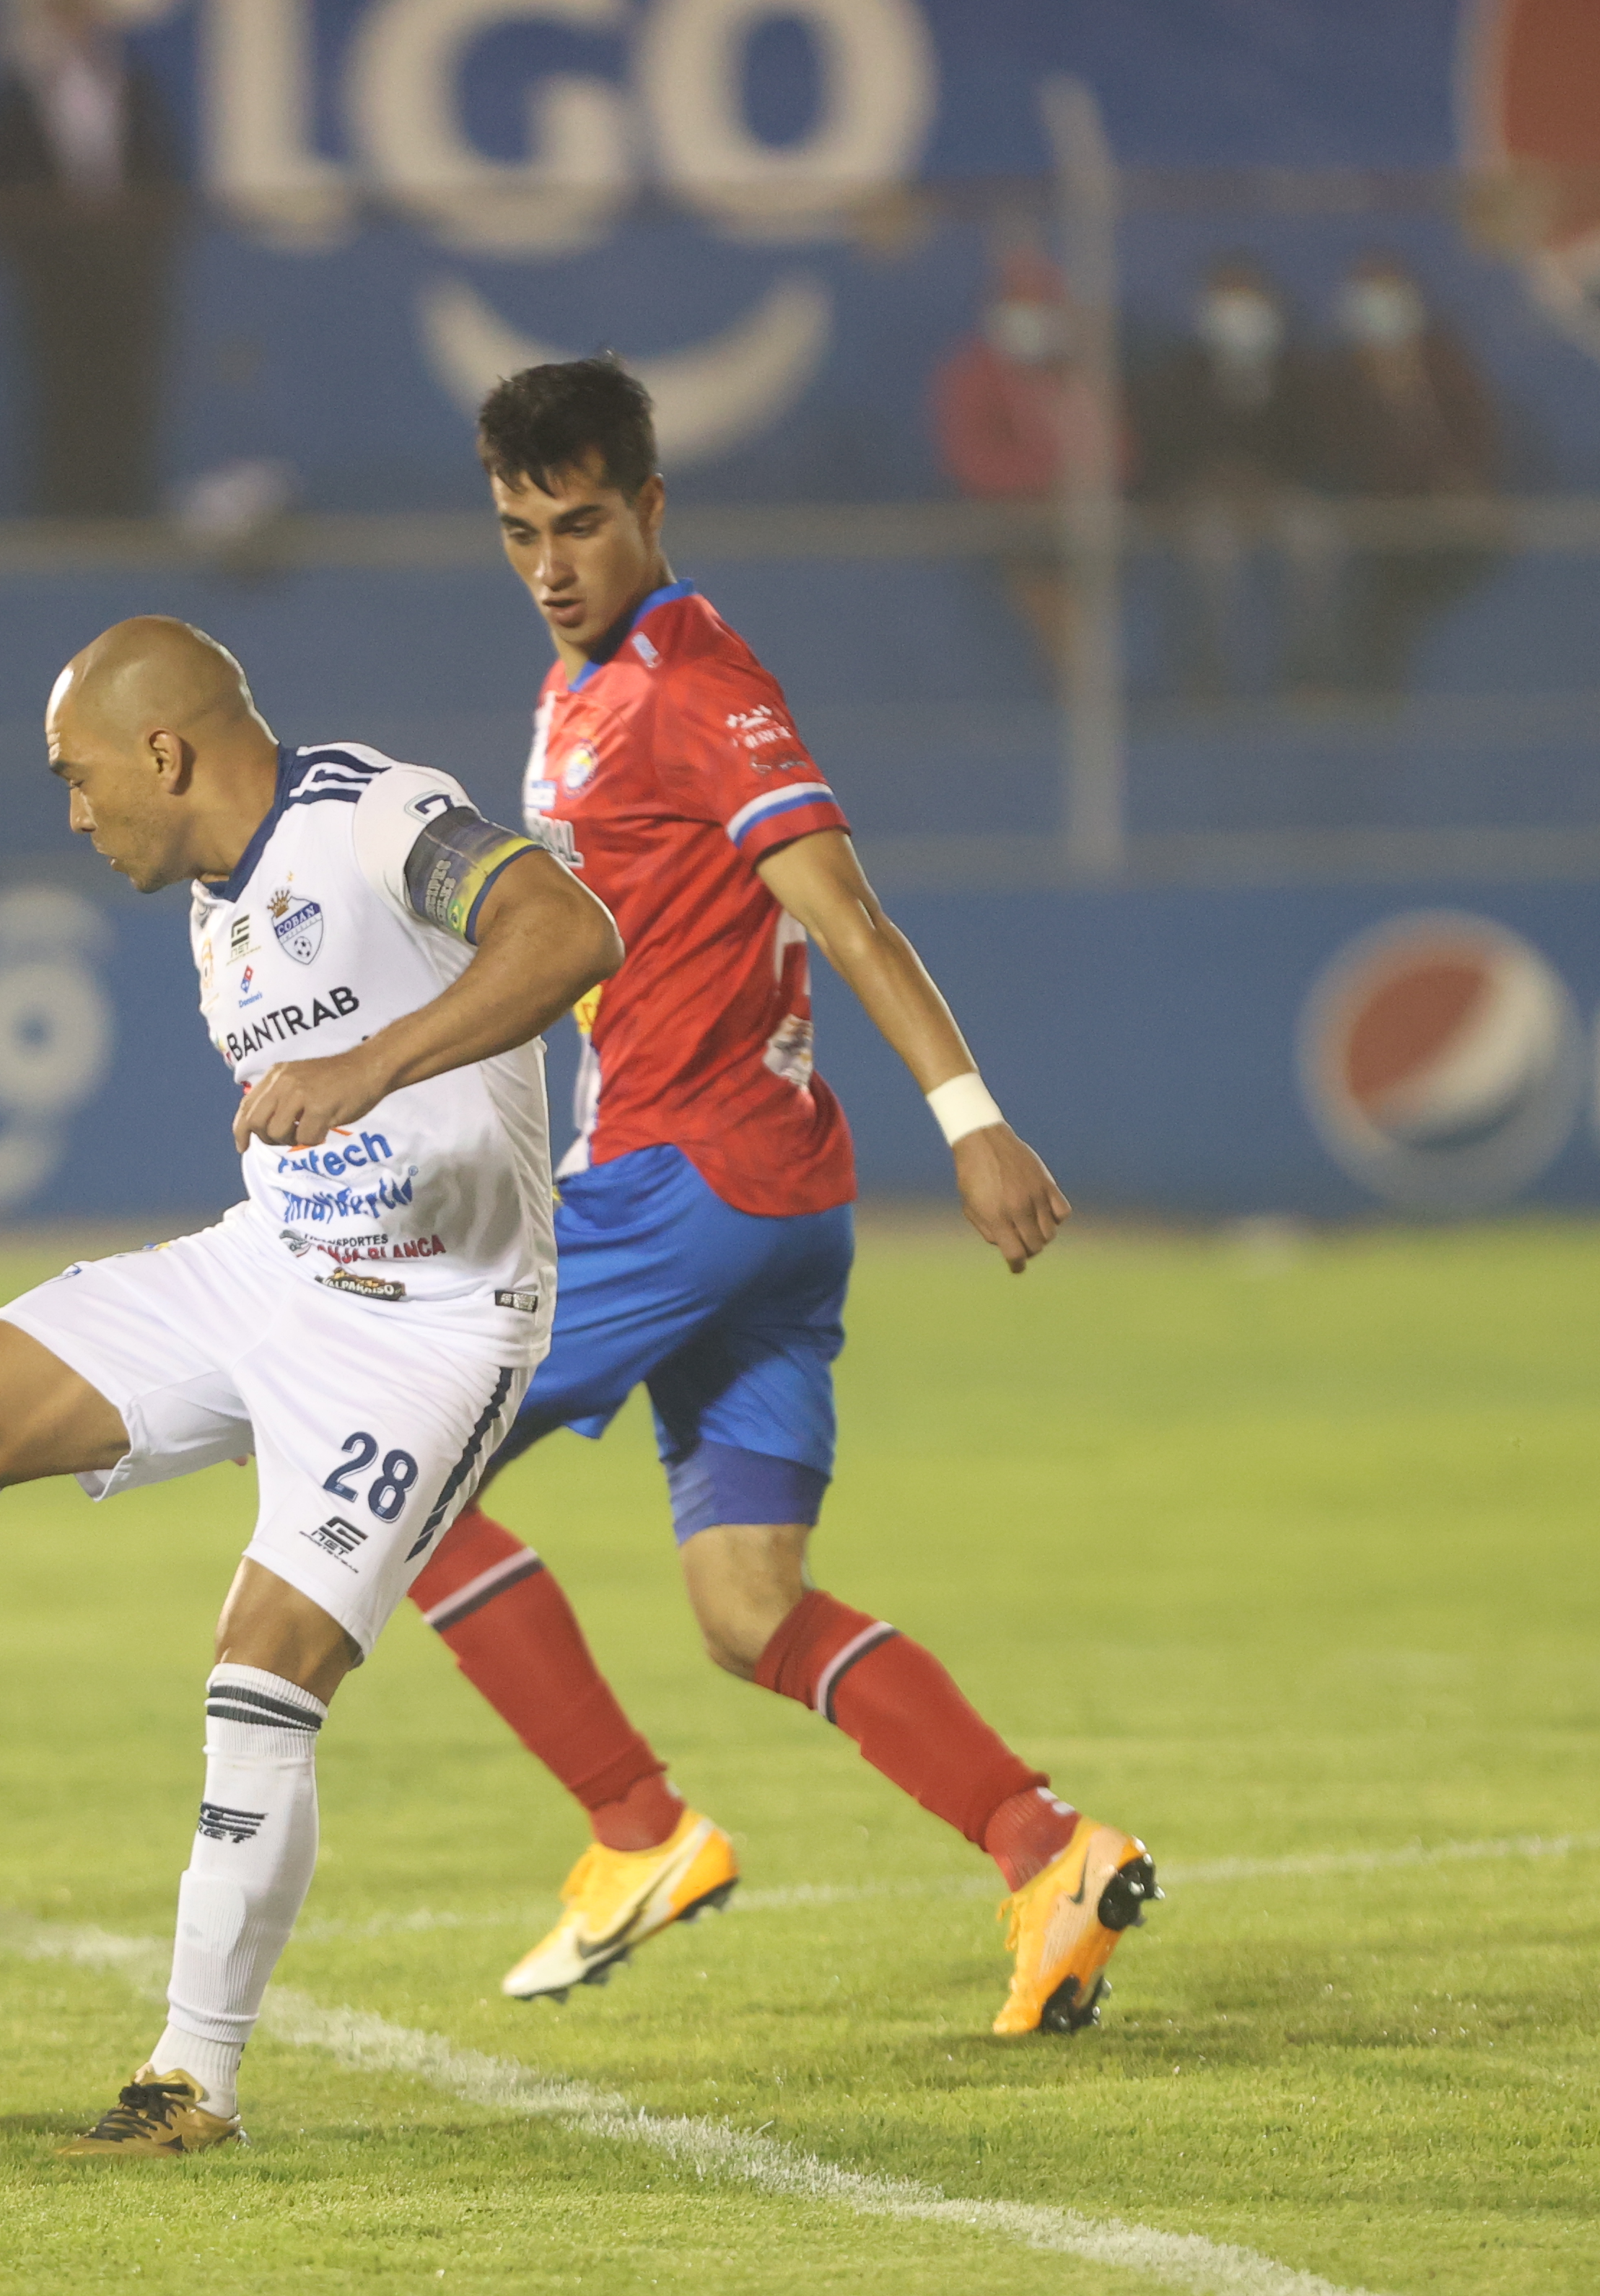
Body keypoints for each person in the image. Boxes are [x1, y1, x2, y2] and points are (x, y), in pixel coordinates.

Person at [0, 616, 621, 2155]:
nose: (73, 815)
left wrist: (377, 1062)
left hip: (430, 1331)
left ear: (167, 752)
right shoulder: (217, 903)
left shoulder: (377, 818)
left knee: (258, 1688)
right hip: (271, 1270)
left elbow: (569, 933)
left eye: (78, 780)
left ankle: (191, 2078)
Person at [398, 355, 1156, 2036]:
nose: (547, 559)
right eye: (519, 527)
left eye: (580, 521)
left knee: (386, 1475)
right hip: (759, 1207)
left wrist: (972, 1119)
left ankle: (634, 1827)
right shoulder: (575, 687)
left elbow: (842, 910)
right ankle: (1045, 1849)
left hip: (688, 1184)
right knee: (747, 1611)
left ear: (648, 510)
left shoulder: (689, 681)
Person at [0, 0, 190, 518]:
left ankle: (124, 503)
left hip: (125, 270)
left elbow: (158, 165)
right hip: (56, 273)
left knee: (126, 385)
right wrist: (37, 250)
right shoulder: (20, 93)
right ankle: (68, 507)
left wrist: (141, 242)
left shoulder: (130, 84)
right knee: (65, 387)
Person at [930, 245, 1129, 697]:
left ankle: (1091, 673)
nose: (1029, 319)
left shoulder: (1083, 373)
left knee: (1095, 542)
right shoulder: (970, 374)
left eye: (1039, 307)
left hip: (1080, 509)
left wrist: (1080, 487)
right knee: (1034, 556)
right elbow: (970, 459)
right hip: (1006, 513)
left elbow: (1116, 449)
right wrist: (1037, 485)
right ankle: (1074, 678)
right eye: (1016, 307)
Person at [1303, 253, 1505, 698]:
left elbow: (1478, 428)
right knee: (1376, 571)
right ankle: (1358, 676)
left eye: (1390, 297)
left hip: (1451, 497)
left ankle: (1395, 644)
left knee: (1465, 539)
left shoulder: (1445, 360)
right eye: (1370, 300)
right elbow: (1335, 452)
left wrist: (1463, 481)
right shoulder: (1340, 374)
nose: (1382, 312)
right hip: (1377, 501)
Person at [1134, 256, 1332, 700]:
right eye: (1226, 301)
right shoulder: (1179, 375)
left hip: (1280, 496)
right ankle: (1206, 674)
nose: (1238, 315)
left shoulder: (1298, 372)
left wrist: (1270, 483)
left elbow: (1318, 444)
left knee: (1314, 536)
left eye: (1248, 301)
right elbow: (1164, 447)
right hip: (1206, 502)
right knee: (1212, 548)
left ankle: (1308, 672)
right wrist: (1209, 483)